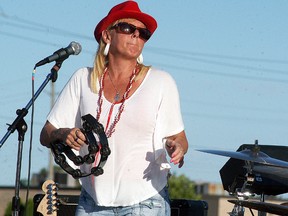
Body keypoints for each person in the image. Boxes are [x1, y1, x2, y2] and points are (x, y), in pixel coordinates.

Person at [40, 1, 188, 215]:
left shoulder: (160, 82)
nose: (136, 35)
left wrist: (178, 147)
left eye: (143, 33)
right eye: (128, 28)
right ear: (107, 36)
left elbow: (179, 137)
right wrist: (63, 133)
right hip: (92, 203)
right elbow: (46, 134)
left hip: (145, 202)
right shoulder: (83, 78)